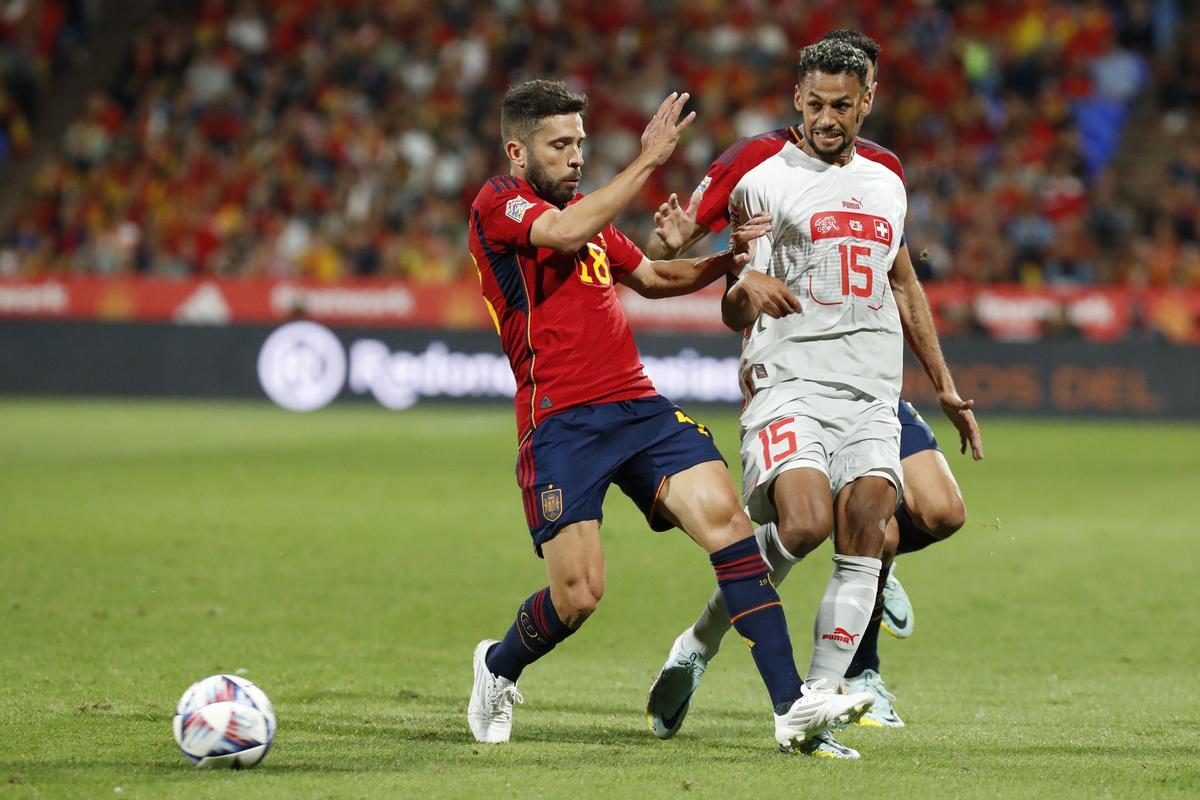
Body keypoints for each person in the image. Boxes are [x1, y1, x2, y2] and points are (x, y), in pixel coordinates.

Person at [465, 79, 874, 754]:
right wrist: (649, 159)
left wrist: (726, 259)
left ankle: (790, 708)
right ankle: (497, 668)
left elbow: (655, 278)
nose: (575, 156)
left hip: (638, 406)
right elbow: (564, 229)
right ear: (518, 150)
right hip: (560, 421)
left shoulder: (589, 222)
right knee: (578, 596)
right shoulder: (502, 203)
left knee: (729, 527)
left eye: (581, 143)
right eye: (560, 144)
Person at [645, 40, 984, 759]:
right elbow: (729, 292)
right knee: (803, 524)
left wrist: (945, 385)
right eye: (815, 103)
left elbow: (901, 280)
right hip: (790, 381)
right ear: (797, 98)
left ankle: (820, 703)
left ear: (868, 99)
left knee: (873, 520)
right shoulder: (763, 175)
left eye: (842, 104)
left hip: (871, 389)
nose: (827, 118)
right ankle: (698, 643)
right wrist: (727, 280)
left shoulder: (889, 177)